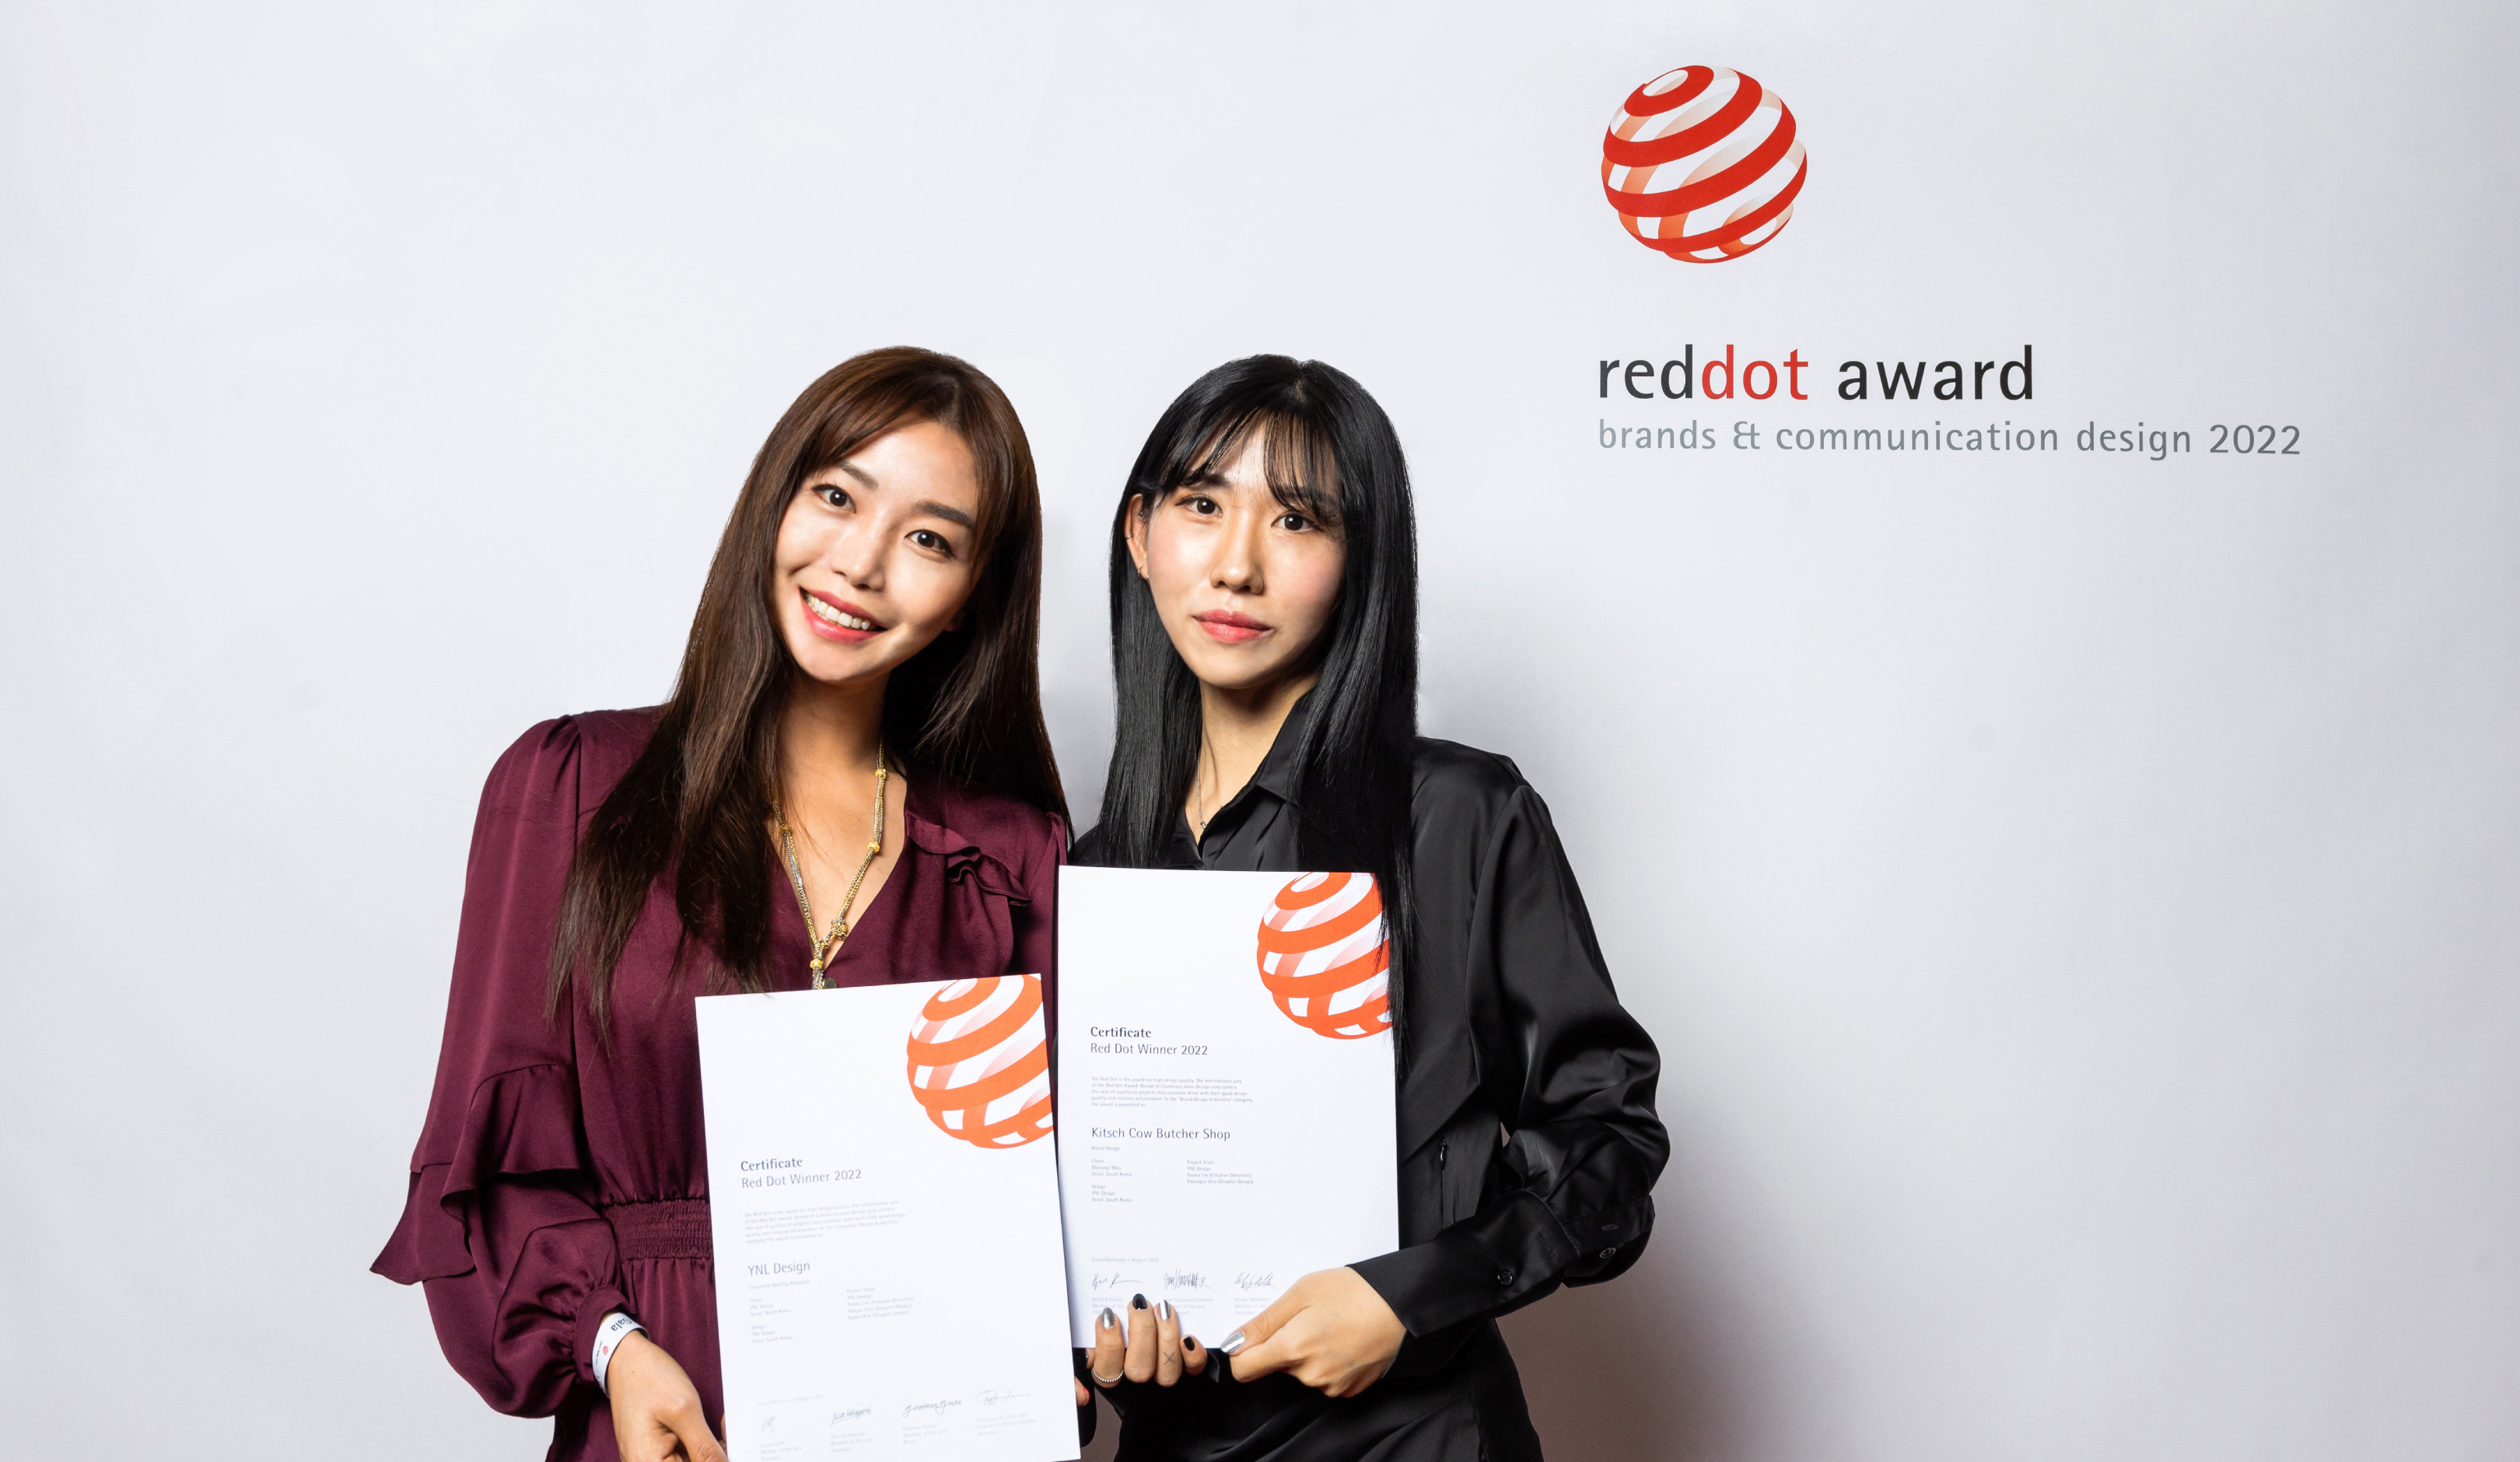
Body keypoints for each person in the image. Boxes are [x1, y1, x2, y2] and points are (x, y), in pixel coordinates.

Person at [373, 347, 1079, 1462]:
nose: (861, 563)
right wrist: (612, 1347)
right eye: (837, 497)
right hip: (664, 1417)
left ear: (969, 604)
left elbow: (1050, 1208)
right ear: (772, 504)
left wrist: (1049, 1353)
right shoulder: (571, 789)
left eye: (930, 540)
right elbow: (487, 1159)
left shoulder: (1008, 858)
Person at [1073, 355, 1668, 1460]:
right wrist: (1102, 1344)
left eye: (1298, 520)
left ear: (1361, 562)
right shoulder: (1094, 876)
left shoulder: (1460, 818)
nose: (1237, 564)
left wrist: (1409, 1298)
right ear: (1140, 534)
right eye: (1202, 505)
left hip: (1420, 1439)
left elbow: (1611, 1145)